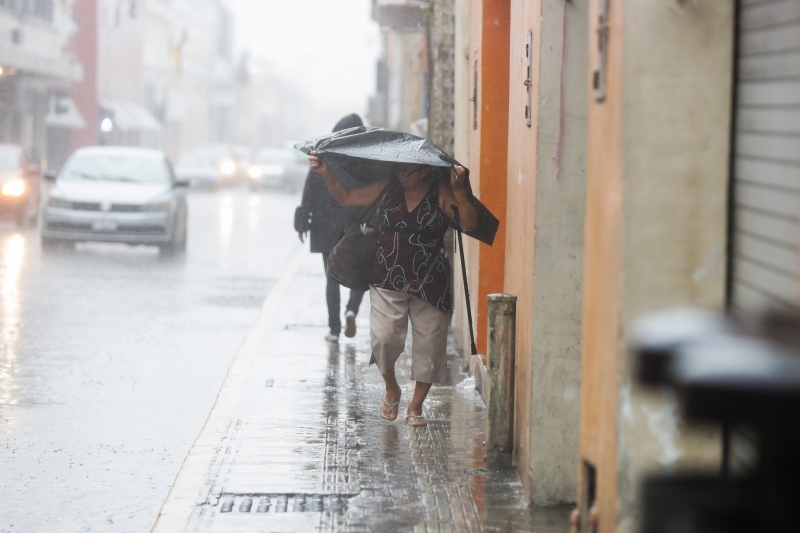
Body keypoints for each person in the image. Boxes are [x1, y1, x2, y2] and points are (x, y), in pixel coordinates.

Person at [308, 152, 477, 426]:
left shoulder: (443, 191)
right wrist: (326, 172)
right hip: (387, 273)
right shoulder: (389, 187)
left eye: (406, 171)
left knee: (430, 345)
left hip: (430, 279)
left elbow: (469, 224)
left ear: (424, 171)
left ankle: (416, 406)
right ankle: (392, 388)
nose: (400, 175)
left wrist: (459, 189)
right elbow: (348, 197)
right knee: (384, 338)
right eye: (398, 170)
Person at [298, 114, 366, 342]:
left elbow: (309, 191)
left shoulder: (323, 157)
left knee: (331, 278)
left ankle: (334, 330)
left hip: (325, 225)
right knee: (359, 273)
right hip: (354, 224)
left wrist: (302, 222)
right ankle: (351, 310)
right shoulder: (362, 159)